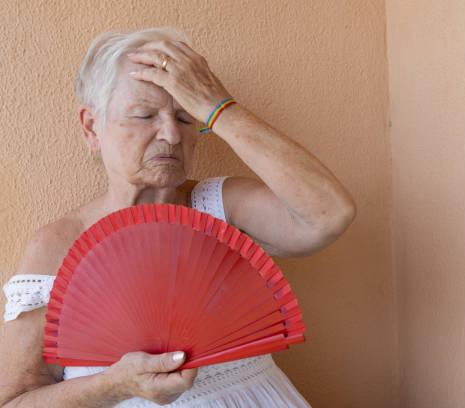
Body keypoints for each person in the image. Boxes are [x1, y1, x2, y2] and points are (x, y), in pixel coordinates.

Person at [0, 27, 356, 407]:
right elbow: (14, 402)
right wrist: (114, 385)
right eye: (144, 115)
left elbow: (329, 215)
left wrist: (218, 107)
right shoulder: (57, 246)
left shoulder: (222, 207)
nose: (170, 135)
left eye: (186, 118)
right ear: (91, 127)